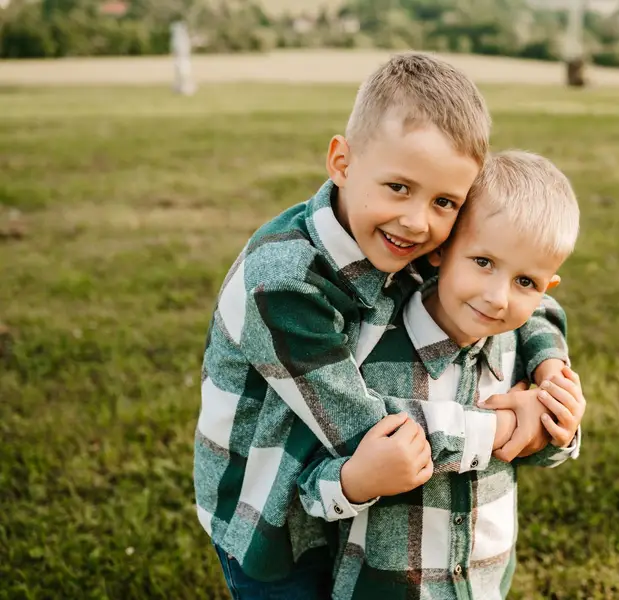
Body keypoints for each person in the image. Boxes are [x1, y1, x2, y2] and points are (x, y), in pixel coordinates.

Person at [193, 53, 578, 598]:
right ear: (342, 162)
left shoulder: (403, 239)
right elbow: (370, 433)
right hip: (270, 512)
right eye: (399, 186)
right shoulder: (281, 285)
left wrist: (550, 369)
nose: (418, 220)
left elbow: (523, 292)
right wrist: (510, 428)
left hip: (349, 496)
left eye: (445, 201)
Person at [299, 150, 585, 599]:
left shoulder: (516, 353)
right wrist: (355, 481)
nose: (496, 298)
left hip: (483, 586)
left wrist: (561, 430)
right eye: (483, 263)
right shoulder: (372, 346)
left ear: (546, 288)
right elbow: (312, 482)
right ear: (441, 251)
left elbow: (531, 450)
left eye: (524, 282)